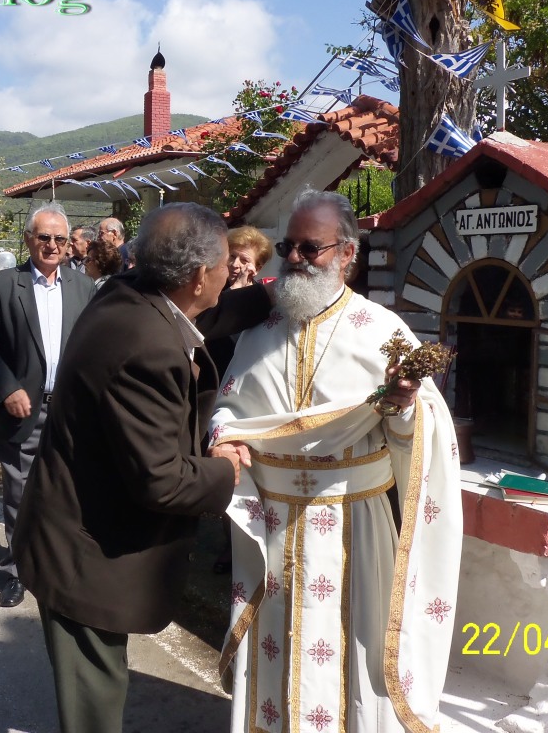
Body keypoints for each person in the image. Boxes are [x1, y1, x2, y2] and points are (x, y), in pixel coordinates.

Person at [11, 202, 273, 733]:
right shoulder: (147, 348)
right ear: (198, 275)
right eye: (226, 265)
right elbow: (162, 480)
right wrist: (225, 469)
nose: (230, 274)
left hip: (72, 528)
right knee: (93, 705)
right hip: (83, 556)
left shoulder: (128, 294)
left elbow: (206, 316)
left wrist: (277, 293)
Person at [209, 190, 462, 733]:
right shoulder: (260, 331)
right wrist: (222, 439)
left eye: (310, 247)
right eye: (287, 247)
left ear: (347, 253)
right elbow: (228, 407)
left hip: (355, 524)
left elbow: (421, 432)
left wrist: (401, 408)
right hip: (273, 524)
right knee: (275, 650)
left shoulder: (382, 331)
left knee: (357, 653)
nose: (294, 258)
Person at [0, 202, 97, 608]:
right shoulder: (4, 285)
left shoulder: (84, 288)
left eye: (60, 239)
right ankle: (18, 571)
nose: (52, 245)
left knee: (70, 493)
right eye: (44, 237)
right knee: (21, 495)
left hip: (70, 412)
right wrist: (7, 389)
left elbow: (95, 347)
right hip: (21, 410)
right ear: (28, 239)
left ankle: (60, 568)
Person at [209, 225, 274, 574]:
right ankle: (228, 542)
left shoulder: (266, 306)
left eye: (244, 260)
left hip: (251, 400)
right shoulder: (213, 298)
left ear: (257, 267)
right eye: (232, 257)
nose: (236, 265)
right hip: (217, 397)